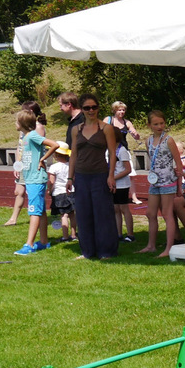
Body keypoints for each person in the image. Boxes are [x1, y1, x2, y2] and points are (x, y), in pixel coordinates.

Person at [68, 93, 119, 260]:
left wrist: (111, 176)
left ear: (98, 108)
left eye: (94, 107)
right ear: (81, 110)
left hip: (100, 175)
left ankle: (106, 251)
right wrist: (70, 177)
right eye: (87, 108)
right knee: (83, 214)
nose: (91, 110)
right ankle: (88, 251)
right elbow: (73, 154)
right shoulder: (76, 130)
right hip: (81, 177)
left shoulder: (106, 128)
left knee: (103, 214)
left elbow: (112, 154)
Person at [13, 109, 60, 255]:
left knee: (34, 211)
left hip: (36, 179)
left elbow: (54, 145)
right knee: (41, 211)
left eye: (16, 121)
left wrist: (42, 159)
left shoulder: (33, 135)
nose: (14, 123)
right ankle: (44, 241)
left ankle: (29, 244)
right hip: (31, 178)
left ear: (22, 123)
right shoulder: (26, 137)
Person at [137, 110, 184, 257]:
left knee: (167, 213)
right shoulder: (148, 141)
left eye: (162, 123)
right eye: (156, 124)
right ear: (149, 125)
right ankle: (151, 245)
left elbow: (178, 163)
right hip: (155, 180)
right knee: (150, 213)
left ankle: (169, 248)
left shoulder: (169, 140)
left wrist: (179, 186)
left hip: (168, 181)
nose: (159, 126)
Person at [5, 101, 47, 226]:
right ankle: (13, 218)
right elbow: (20, 146)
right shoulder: (23, 128)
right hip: (23, 162)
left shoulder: (37, 128)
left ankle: (37, 216)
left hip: (32, 165)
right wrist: (17, 164)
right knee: (18, 191)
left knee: (33, 192)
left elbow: (38, 148)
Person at [47, 142, 77, 242]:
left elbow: (51, 182)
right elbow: (74, 178)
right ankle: (73, 235)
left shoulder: (54, 167)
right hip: (72, 191)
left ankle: (65, 236)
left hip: (59, 193)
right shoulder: (70, 166)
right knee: (72, 214)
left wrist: (50, 191)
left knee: (63, 215)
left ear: (55, 155)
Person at [113, 143, 135, 243]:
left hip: (122, 184)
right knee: (115, 209)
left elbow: (128, 169)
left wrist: (113, 178)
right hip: (113, 184)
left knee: (124, 208)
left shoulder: (121, 150)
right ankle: (118, 233)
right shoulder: (108, 150)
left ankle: (130, 234)